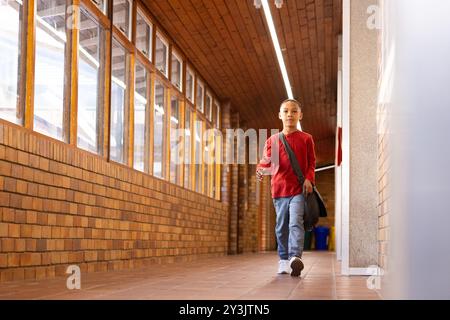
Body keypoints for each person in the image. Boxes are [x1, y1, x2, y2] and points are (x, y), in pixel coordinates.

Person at [257, 99, 316, 277]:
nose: (290, 114)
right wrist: (261, 169)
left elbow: (312, 163)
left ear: (300, 115)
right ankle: (283, 260)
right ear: (280, 115)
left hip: (298, 189)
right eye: (286, 111)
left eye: (294, 111)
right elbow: (267, 162)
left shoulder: (306, 139)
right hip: (279, 190)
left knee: (295, 222)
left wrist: (309, 179)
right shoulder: (273, 140)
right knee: (281, 226)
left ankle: (294, 258)